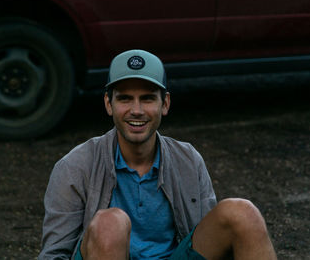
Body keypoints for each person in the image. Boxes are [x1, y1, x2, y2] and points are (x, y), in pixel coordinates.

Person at [39, 49, 277, 260]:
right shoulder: (75, 166)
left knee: (242, 212)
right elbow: (54, 253)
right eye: (124, 98)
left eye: (147, 98)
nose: (136, 110)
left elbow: (206, 239)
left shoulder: (188, 159)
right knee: (110, 223)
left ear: (165, 103)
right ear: (108, 104)